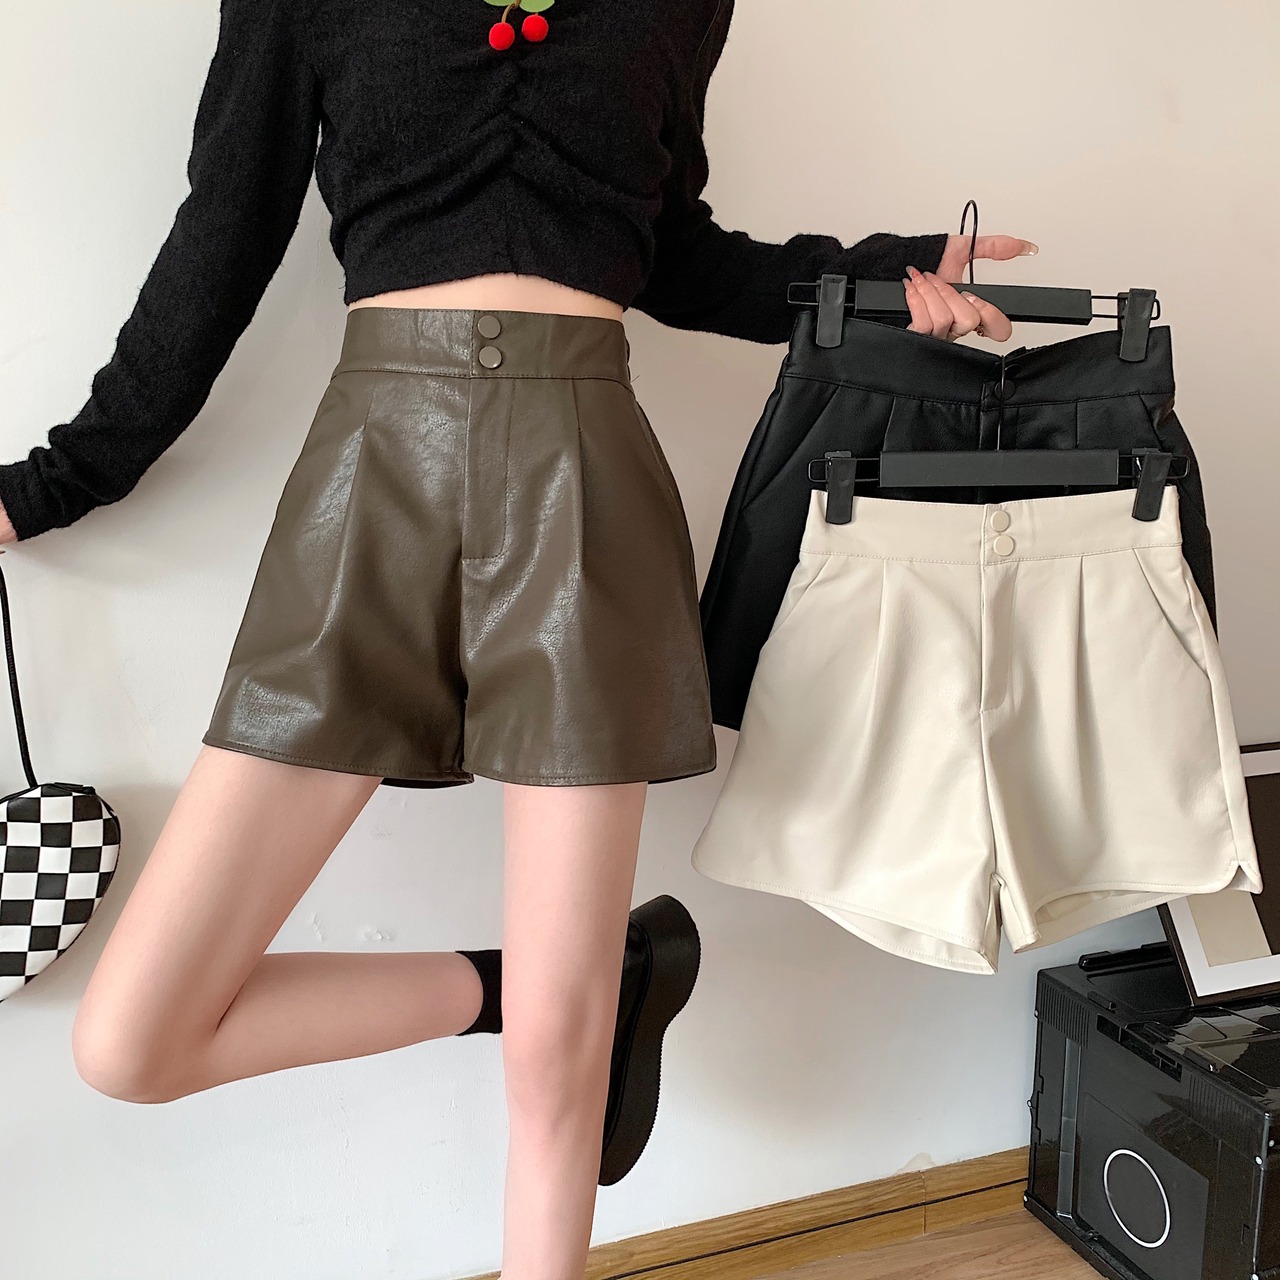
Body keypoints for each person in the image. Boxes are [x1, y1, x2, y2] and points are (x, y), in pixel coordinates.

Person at [0, 0, 1035, 1272]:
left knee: (559, 1057)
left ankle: (564, 1010)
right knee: (131, 1039)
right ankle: (524, 987)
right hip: (371, 483)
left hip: (581, 478)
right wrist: (51, 483)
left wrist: (885, 277)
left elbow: (673, 253)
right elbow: (220, 237)